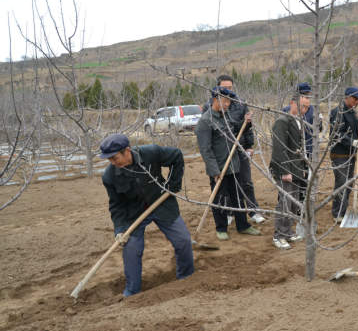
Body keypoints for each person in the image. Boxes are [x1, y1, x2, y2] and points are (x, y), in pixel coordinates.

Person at [100, 133, 194, 297]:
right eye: (109, 160)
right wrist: (120, 229)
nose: (113, 163)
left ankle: (186, 277)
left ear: (127, 151)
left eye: (115, 158)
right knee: (131, 250)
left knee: (183, 240)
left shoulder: (151, 153)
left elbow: (177, 156)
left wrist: (173, 185)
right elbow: (116, 206)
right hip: (134, 213)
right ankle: (132, 291)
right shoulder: (110, 176)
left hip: (161, 203)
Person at [195, 87, 261, 241]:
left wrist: (246, 123)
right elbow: (205, 150)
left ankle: (243, 226)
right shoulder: (205, 121)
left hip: (233, 165)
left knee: (237, 197)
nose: (227, 105)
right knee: (219, 199)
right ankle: (221, 228)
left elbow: (237, 129)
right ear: (215, 100)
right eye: (225, 101)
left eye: (229, 102)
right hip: (219, 169)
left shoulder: (226, 117)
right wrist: (214, 171)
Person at [270, 92, 311, 249]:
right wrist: (284, 171)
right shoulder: (282, 121)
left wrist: (302, 168)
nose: (304, 110)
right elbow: (279, 148)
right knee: (285, 203)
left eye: (307, 107)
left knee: (293, 203)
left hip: (296, 168)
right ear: (292, 103)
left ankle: (287, 232)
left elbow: (299, 149)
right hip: (285, 169)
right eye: (302, 106)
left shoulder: (298, 121)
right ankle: (279, 236)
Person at [329, 87, 358, 221]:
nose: (357, 102)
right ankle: (337, 213)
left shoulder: (352, 112)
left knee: (348, 184)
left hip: (350, 154)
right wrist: (352, 142)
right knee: (341, 183)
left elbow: (355, 130)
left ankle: (343, 211)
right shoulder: (338, 112)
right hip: (339, 155)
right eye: (355, 99)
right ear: (348, 97)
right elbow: (337, 134)